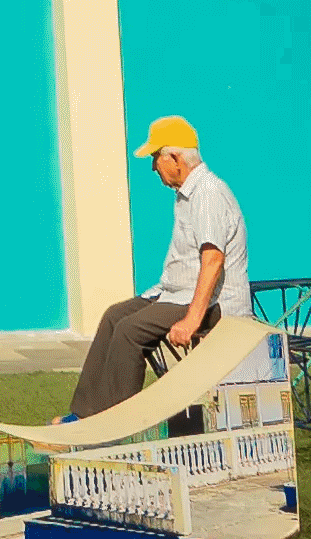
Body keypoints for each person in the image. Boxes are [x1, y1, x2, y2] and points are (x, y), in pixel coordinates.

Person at [68, 114, 250, 419]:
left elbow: (213, 260)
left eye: (156, 157)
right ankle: (85, 415)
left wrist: (192, 320)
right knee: (115, 316)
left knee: (130, 331)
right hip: (176, 293)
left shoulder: (207, 194)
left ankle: (115, 424)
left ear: (176, 158)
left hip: (213, 304)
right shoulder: (189, 194)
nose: (153, 166)